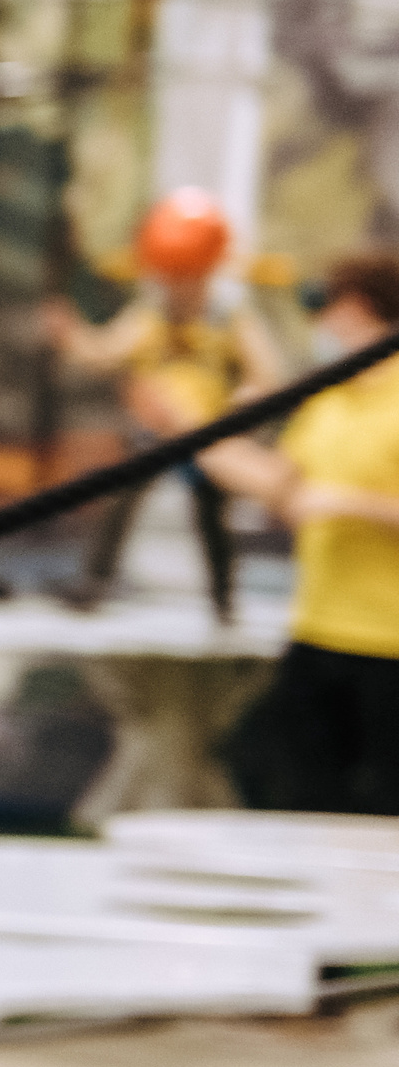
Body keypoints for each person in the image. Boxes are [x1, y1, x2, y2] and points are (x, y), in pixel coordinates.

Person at [191, 251, 399, 813]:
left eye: (322, 304)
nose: (317, 322)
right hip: (319, 632)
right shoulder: (330, 400)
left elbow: (326, 501)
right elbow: (282, 489)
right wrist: (192, 434)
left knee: (381, 808)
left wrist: (352, 504)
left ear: (356, 309)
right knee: (265, 769)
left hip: (390, 643)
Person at [42, 188, 284, 619]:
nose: (177, 285)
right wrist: (72, 335)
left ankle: (223, 599)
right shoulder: (150, 315)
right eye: (171, 274)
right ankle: (95, 581)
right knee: (122, 497)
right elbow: (105, 353)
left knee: (211, 514)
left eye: (186, 274)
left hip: (209, 432)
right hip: (154, 426)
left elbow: (266, 374)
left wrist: (248, 397)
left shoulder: (229, 317)